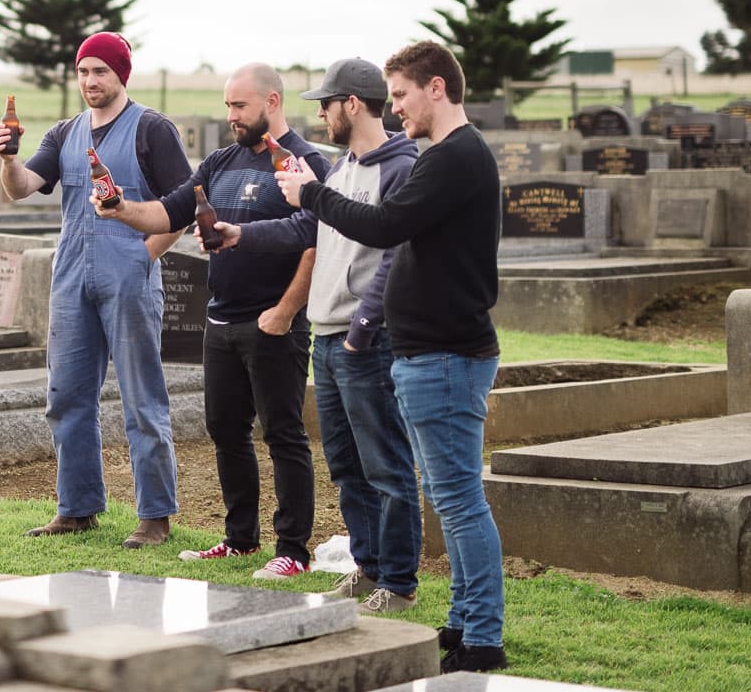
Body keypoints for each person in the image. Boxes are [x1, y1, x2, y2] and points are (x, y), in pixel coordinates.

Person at [273, 41, 507, 674]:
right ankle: (463, 622)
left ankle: (484, 636)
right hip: (427, 352)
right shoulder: (448, 156)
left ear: (437, 88)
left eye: (401, 94)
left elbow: (382, 227)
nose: (395, 106)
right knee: (446, 494)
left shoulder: (453, 158)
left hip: (446, 354)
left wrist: (311, 194)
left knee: (458, 499)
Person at [95, 62, 328, 579]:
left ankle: (292, 549)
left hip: (274, 320)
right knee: (226, 430)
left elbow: (315, 239)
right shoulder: (222, 161)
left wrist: (286, 311)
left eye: (239, 106)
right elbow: (169, 212)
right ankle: (240, 539)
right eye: (227, 106)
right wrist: (119, 209)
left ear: (272, 101)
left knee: (284, 434)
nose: (231, 117)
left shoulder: (303, 162)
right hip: (221, 320)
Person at [211, 58, 421, 612]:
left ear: (352, 104)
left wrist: (361, 328)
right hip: (327, 337)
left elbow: (394, 256)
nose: (321, 114)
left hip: (361, 341)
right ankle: (368, 570)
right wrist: (240, 234)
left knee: (386, 466)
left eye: (326, 104)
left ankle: (398, 584)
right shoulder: (342, 167)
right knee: (348, 468)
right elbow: (310, 227)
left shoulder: (399, 167)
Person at [0, 32, 191, 548]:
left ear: (121, 75)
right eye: (83, 72)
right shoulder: (64, 133)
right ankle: (77, 507)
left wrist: (144, 254)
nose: (90, 81)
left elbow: (187, 206)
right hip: (71, 277)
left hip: (128, 276)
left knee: (140, 397)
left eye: (100, 71)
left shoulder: (152, 129)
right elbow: (19, 189)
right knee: (66, 397)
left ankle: (155, 515)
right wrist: (7, 159)